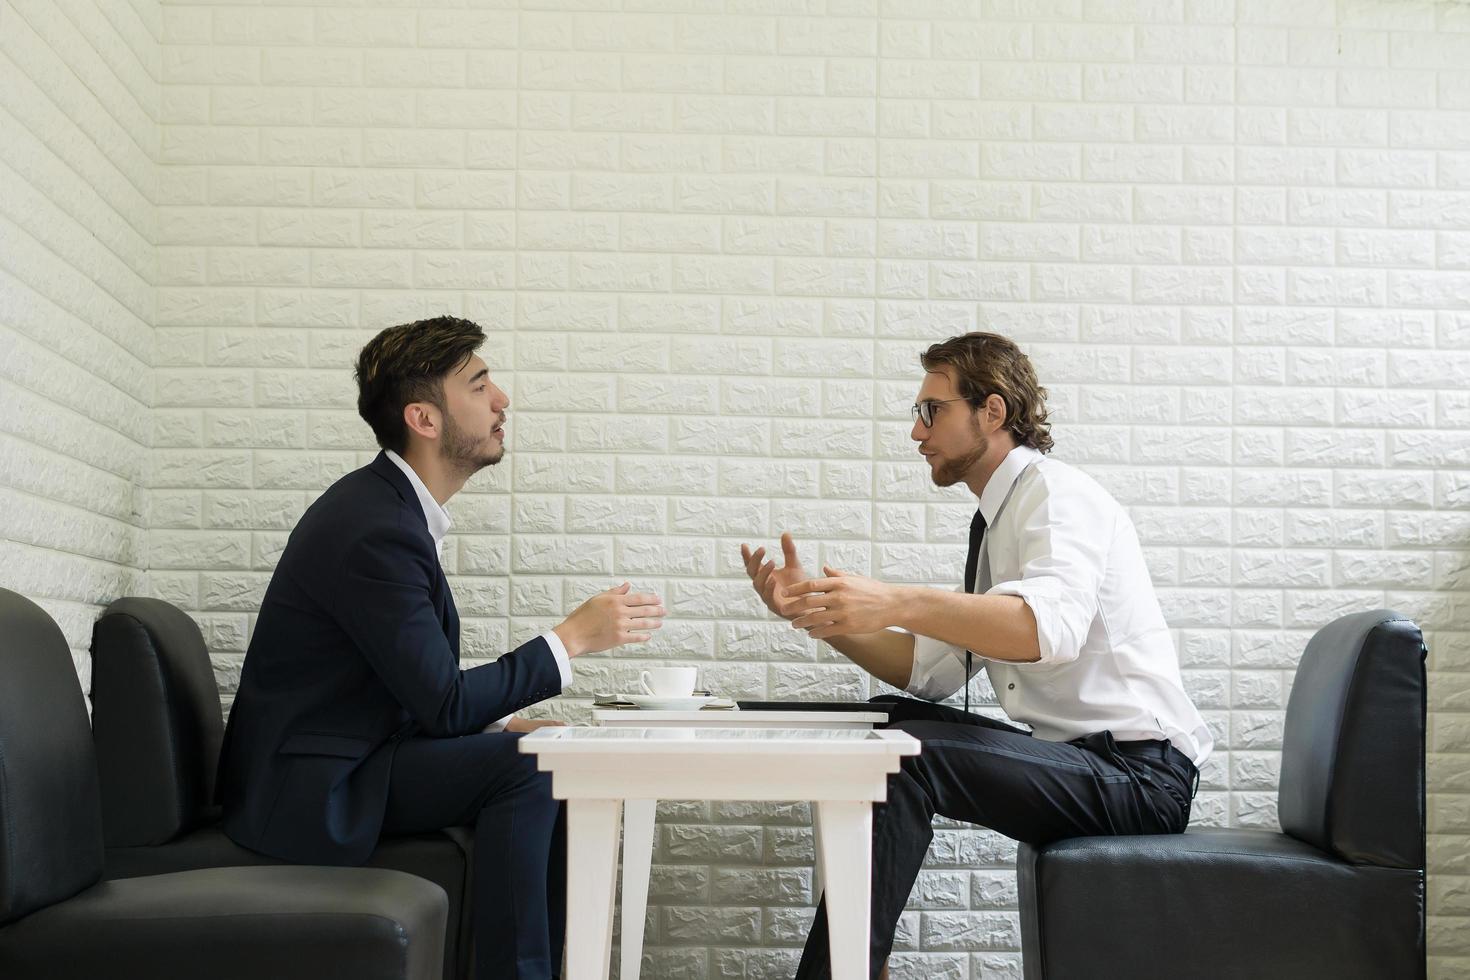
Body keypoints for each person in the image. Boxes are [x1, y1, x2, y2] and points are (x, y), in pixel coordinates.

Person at [739, 332, 1211, 980]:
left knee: (904, 758)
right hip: (1089, 762)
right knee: (891, 719)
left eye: (932, 410)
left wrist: (897, 599)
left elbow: (1049, 630)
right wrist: (824, 617)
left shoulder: (1056, 495)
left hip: (1141, 780)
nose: (916, 431)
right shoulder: (998, 521)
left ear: (992, 412)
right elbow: (932, 672)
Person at [217, 315, 666, 980]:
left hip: (359, 754)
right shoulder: (377, 528)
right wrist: (572, 638)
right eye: (480, 385)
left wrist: (502, 720)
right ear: (424, 419)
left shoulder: (387, 511)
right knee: (535, 766)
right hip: (315, 788)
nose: (502, 400)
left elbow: (421, 688)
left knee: (544, 752)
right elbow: (445, 702)